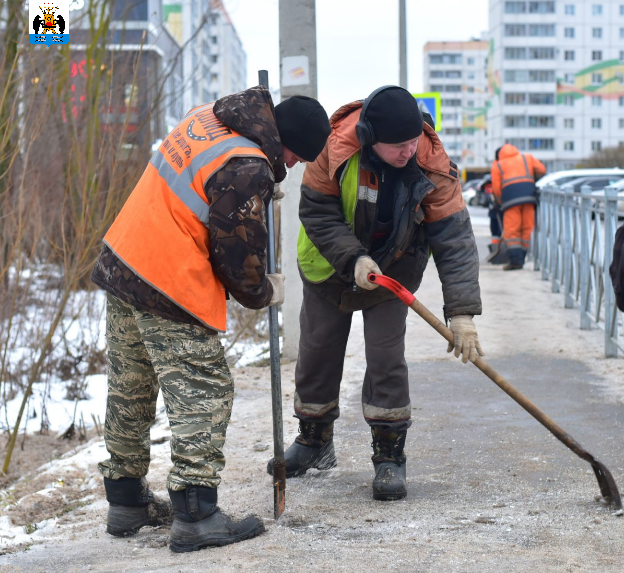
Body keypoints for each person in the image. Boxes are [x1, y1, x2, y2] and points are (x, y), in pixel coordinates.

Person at [90, 86, 331, 552]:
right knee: (204, 391)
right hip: (169, 282)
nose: (297, 166)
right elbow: (238, 259)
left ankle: (126, 501)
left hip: (124, 259)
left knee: (131, 386)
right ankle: (196, 514)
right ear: (286, 143)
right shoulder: (247, 168)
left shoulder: (211, 118)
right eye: (298, 157)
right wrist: (263, 291)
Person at [268, 85, 482, 501]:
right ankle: (313, 443)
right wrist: (353, 259)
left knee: (386, 358)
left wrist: (462, 313)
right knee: (317, 352)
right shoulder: (335, 149)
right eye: (397, 146)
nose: (407, 152)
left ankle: (389, 456)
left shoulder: (432, 165)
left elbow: (454, 240)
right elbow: (316, 210)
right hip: (329, 267)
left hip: (392, 272)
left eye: (412, 141)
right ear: (370, 138)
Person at [490, 144, 546, 270]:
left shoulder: (498, 164)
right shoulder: (527, 158)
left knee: (512, 230)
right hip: (529, 196)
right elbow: (542, 170)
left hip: (510, 200)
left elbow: (497, 188)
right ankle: (522, 257)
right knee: (526, 228)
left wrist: (500, 202)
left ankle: (516, 261)